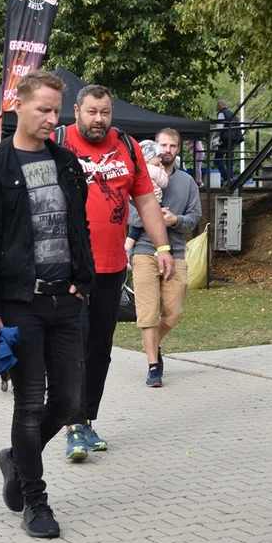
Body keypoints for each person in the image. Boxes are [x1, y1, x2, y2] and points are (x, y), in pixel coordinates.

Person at [0, 69, 94, 539]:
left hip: (66, 300)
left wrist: (83, 281)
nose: (51, 118)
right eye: (43, 109)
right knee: (30, 404)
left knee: (66, 402)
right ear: (17, 106)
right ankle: (35, 501)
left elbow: (75, 226)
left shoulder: (66, 163)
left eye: (55, 111)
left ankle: (14, 459)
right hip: (19, 302)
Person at [52, 85, 173, 462]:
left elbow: (147, 201)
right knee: (74, 348)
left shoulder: (128, 147)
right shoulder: (57, 143)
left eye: (105, 112)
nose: (98, 119)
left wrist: (163, 246)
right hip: (68, 268)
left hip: (110, 267)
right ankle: (72, 426)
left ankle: (87, 419)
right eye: (91, 112)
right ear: (76, 111)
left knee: (100, 348)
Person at [127, 128, 201, 388]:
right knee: (147, 313)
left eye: (172, 146)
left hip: (177, 250)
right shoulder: (137, 178)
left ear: (178, 149)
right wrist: (156, 218)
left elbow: (194, 218)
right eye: (162, 145)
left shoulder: (187, 182)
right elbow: (131, 217)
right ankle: (153, 365)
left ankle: (152, 344)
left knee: (172, 313)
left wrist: (175, 220)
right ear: (154, 147)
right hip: (144, 251)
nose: (166, 150)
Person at [213, 100, 238, 186]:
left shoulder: (221, 114)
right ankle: (230, 178)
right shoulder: (232, 114)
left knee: (217, 159)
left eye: (216, 107)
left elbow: (219, 127)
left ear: (220, 106)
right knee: (230, 159)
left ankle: (226, 178)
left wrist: (215, 137)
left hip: (225, 139)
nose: (216, 109)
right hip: (234, 139)